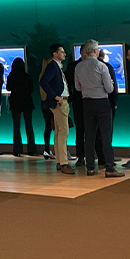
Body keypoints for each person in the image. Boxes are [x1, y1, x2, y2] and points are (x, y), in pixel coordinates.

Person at [74, 40, 123, 178]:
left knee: (89, 135)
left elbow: (77, 87)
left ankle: (90, 167)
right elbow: (109, 88)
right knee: (105, 135)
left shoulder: (78, 66)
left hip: (86, 103)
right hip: (101, 102)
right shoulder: (102, 66)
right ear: (95, 51)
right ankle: (109, 167)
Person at [38, 44, 75, 174]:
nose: (64, 54)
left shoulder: (56, 67)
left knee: (59, 132)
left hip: (61, 102)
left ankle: (60, 161)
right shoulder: (53, 66)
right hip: (60, 103)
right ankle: (64, 163)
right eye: (62, 52)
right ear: (55, 54)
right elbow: (43, 82)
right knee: (63, 132)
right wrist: (55, 96)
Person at [5, 58, 36, 157]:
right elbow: (31, 89)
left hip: (15, 102)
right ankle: (31, 149)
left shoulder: (11, 76)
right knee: (29, 125)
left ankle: (17, 149)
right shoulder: (27, 76)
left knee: (16, 126)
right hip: (27, 102)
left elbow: (8, 88)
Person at [95, 49, 119, 167]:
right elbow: (112, 87)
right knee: (106, 131)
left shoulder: (84, 67)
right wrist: (114, 102)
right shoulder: (107, 67)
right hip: (106, 102)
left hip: (89, 103)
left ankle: (99, 157)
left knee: (94, 132)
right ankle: (108, 158)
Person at [66, 46, 85, 166]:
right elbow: (67, 84)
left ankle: (86, 156)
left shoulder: (73, 66)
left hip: (79, 100)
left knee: (85, 130)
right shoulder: (73, 66)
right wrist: (71, 97)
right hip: (79, 101)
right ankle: (81, 156)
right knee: (81, 130)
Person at [37, 59, 55, 160]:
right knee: (59, 128)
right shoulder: (51, 77)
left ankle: (47, 149)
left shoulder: (41, 76)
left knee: (48, 126)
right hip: (52, 103)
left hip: (44, 103)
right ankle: (62, 151)